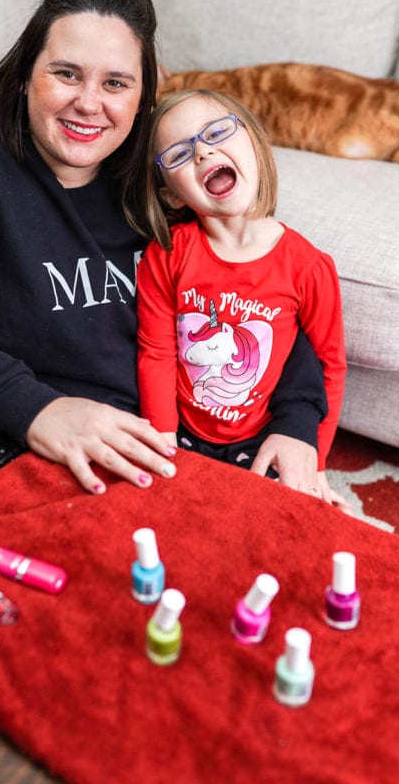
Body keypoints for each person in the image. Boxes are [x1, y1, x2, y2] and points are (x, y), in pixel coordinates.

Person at [0, 0, 328, 498]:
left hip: (194, 444)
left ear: (143, 95)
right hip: (36, 444)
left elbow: (270, 291)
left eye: (116, 84)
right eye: (66, 73)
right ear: (26, 74)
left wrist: (296, 422)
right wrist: (37, 409)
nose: (88, 104)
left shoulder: (169, 177)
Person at [133, 88, 347, 505]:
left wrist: (315, 462)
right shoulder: (168, 254)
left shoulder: (308, 266)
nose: (202, 153)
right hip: (182, 431)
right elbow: (156, 350)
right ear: (173, 195)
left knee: (293, 518)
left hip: (261, 436)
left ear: (254, 144)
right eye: (179, 153)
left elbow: (328, 365)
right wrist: (161, 437)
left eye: (216, 133)